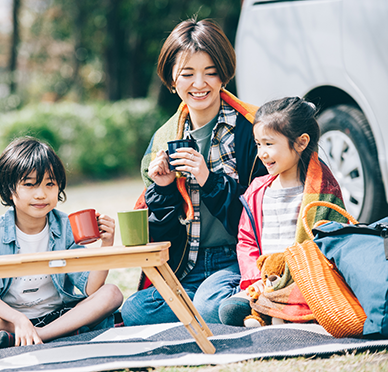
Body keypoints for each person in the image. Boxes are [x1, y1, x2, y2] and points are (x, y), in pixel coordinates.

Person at [120, 17, 268, 326]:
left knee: (208, 304)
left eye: (210, 73)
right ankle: (237, 306)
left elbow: (262, 217)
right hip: (188, 264)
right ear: (172, 81)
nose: (199, 84)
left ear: (224, 76)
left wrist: (208, 180)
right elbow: (161, 236)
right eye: (187, 74)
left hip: (237, 259)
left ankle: (233, 301)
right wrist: (161, 189)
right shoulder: (164, 139)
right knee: (133, 311)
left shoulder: (252, 131)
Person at [0, 137, 123, 349]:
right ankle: (35, 334)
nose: (41, 194)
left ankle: (40, 336)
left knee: (112, 293)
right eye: (29, 184)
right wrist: (19, 320)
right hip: (10, 322)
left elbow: (91, 288)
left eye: (49, 183)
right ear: (9, 190)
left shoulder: (65, 227)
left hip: (59, 316)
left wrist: (106, 246)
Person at [218, 97, 347, 326]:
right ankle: (276, 312)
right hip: (266, 281)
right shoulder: (257, 190)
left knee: (305, 300)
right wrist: (255, 280)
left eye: (269, 144)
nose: (261, 153)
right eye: (258, 144)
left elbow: (334, 241)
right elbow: (246, 241)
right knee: (228, 309)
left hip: (305, 281)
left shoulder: (322, 189)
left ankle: (280, 313)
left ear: (301, 142)